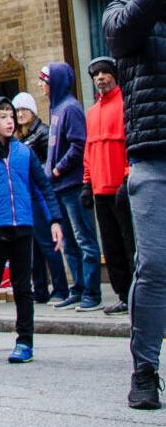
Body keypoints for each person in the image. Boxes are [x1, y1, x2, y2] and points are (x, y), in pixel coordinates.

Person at [104, 0, 166, 410]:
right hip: (152, 160)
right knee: (156, 265)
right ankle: (145, 369)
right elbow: (126, 31)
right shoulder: (120, 13)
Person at [0, 96, 65, 363]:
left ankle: (25, 341)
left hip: (23, 227)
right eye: (3, 116)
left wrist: (55, 220)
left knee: (22, 287)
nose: (10, 121)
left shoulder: (24, 152)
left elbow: (43, 187)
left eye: (11, 116)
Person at [42, 62, 103, 311]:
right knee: (69, 242)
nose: (41, 86)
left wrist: (56, 169)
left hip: (73, 184)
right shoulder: (56, 109)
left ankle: (92, 292)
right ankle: (77, 288)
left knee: (85, 239)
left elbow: (79, 145)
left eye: (44, 80)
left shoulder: (70, 109)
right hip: (59, 187)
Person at [81, 55, 137, 316]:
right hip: (100, 189)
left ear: (114, 75)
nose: (100, 78)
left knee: (130, 244)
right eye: (96, 75)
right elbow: (89, 151)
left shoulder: (125, 104)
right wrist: (86, 184)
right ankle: (123, 294)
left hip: (121, 187)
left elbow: (130, 144)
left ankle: (139, 294)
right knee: (111, 246)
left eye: (104, 73)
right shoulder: (91, 113)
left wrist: (127, 176)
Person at [13, 92, 68, 305]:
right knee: (33, 246)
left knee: (47, 243)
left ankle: (60, 288)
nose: (20, 114)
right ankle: (40, 289)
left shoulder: (42, 133)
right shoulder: (20, 136)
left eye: (24, 110)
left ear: (33, 112)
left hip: (39, 196)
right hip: (26, 197)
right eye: (17, 111)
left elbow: (48, 162)